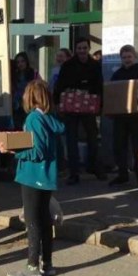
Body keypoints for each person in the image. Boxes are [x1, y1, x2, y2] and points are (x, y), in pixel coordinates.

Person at [0, 80, 64, 276]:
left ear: (29, 97)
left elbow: (37, 151)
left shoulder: (33, 118)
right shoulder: (49, 117)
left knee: (33, 221)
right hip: (46, 176)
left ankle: (33, 266)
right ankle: (47, 264)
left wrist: (14, 151)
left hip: (33, 176)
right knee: (44, 221)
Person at [53, 38, 104, 184]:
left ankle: (94, 167)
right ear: (75, 49)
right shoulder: (68, 65)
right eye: (79, 48)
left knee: (93, 138)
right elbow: (60, 85)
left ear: (88, 48)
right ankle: (74, 173)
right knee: (71, 139)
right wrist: (57, 103)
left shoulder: (94, 65)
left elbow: (99, 85)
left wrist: (101, 105)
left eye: (84, 48)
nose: (82, 51)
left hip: (88, 107)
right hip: (71, 107)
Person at [109, 44, 138, 187]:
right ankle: (122, 174)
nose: (127, 60)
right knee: (119, 146)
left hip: (137, 117)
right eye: (124, 57)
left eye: (129, 57)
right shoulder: (117, 74)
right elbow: (111, 94)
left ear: (134, 57)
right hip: (121, 116)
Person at [12, 52, 42, 130]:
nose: (20, 64)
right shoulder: (14, 74)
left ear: (26, 62)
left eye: (22, 61)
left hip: (30, 104)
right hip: (17, 105)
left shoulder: (33, 73)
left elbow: (40, 86)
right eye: (18, 62)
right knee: (18, 127)